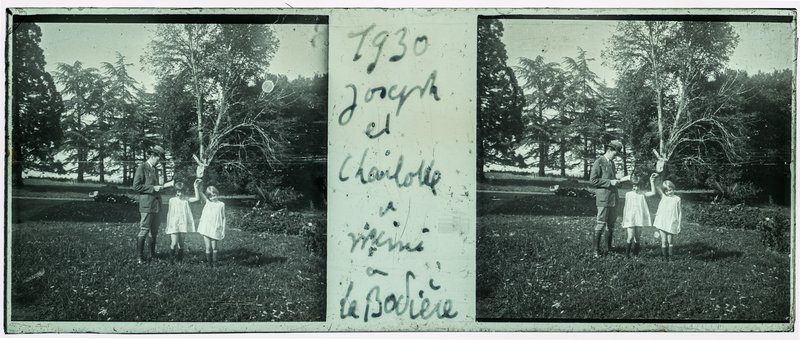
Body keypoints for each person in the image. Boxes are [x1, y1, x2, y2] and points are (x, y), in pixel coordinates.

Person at [589, 140, 629, 257]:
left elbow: (613, 180)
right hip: (603, 199)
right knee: (601, 223)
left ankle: (609, 248)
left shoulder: (611, 163)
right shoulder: (599, 162)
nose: (615, 157)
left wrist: (619, 181)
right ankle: (596, 250)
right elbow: (593, 180)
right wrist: (610, 182)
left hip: (613, 199)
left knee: (611, 224)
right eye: (615, 154)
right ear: (610, 150)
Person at [132, 146, 166, 263]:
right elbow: (136, 186)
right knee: (144, 230)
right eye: (158, 159)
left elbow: (156, 187)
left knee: (154, 231)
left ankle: (152, 255)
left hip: (157, 206)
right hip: (147, 205)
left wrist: (161, 187)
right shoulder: (142, 168)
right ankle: (139, 257)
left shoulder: (155, 169)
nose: (159, 161)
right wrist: (153, 188)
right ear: (152, 156)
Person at [621, 173, 657, 258]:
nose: (636, 188)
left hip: (639, 218)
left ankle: (635, 255)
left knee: (637, 238)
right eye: (634, 186)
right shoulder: (628, 194)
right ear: (632, 186)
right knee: (630, 237)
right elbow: (625, 207)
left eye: (638, 186)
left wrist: (652, 181)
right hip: (630, 218)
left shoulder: (642, 194)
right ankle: (627, 256)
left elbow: (653, 192)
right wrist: (624, 219)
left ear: (641, 186)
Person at [165, 179, 201, 263]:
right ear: (175, 191)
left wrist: (195, 187)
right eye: (178, 192)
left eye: (181, 192)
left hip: (183, 224)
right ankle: (171, 261)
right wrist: (168, 224)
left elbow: (197, 198)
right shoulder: (172, 200)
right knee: (174, 243)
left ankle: (179, 260)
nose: (180, 194)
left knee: (181, 244)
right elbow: (169, 213)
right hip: (174, 224)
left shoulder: (186, 200)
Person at [652, 174, 682, 261]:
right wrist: (658, 176)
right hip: (662, 222)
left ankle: (671, 258)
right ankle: (665, 258)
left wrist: (679, 224)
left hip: (672, 222)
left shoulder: (677, 199)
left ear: (673, 189)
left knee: (670, 241)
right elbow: (657, 186)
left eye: (670, 190)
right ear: (664, 192)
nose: (669, 192)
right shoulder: (664, 197)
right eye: (667, 191)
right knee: (664, 241)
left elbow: (680, 212)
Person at [196, 182, 226, 267]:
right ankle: (209, 265)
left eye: (214, 195)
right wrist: (199, 184)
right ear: (208, 197)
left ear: (217, 193)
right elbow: (200, 192)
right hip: (206, 227)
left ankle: (215, 264)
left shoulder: (221, 204)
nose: (213, 197)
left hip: (216, 228)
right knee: (208, 247)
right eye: (211, 196)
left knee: (214, 247)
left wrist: (223, 230)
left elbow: (223, 218)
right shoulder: (208, 202)